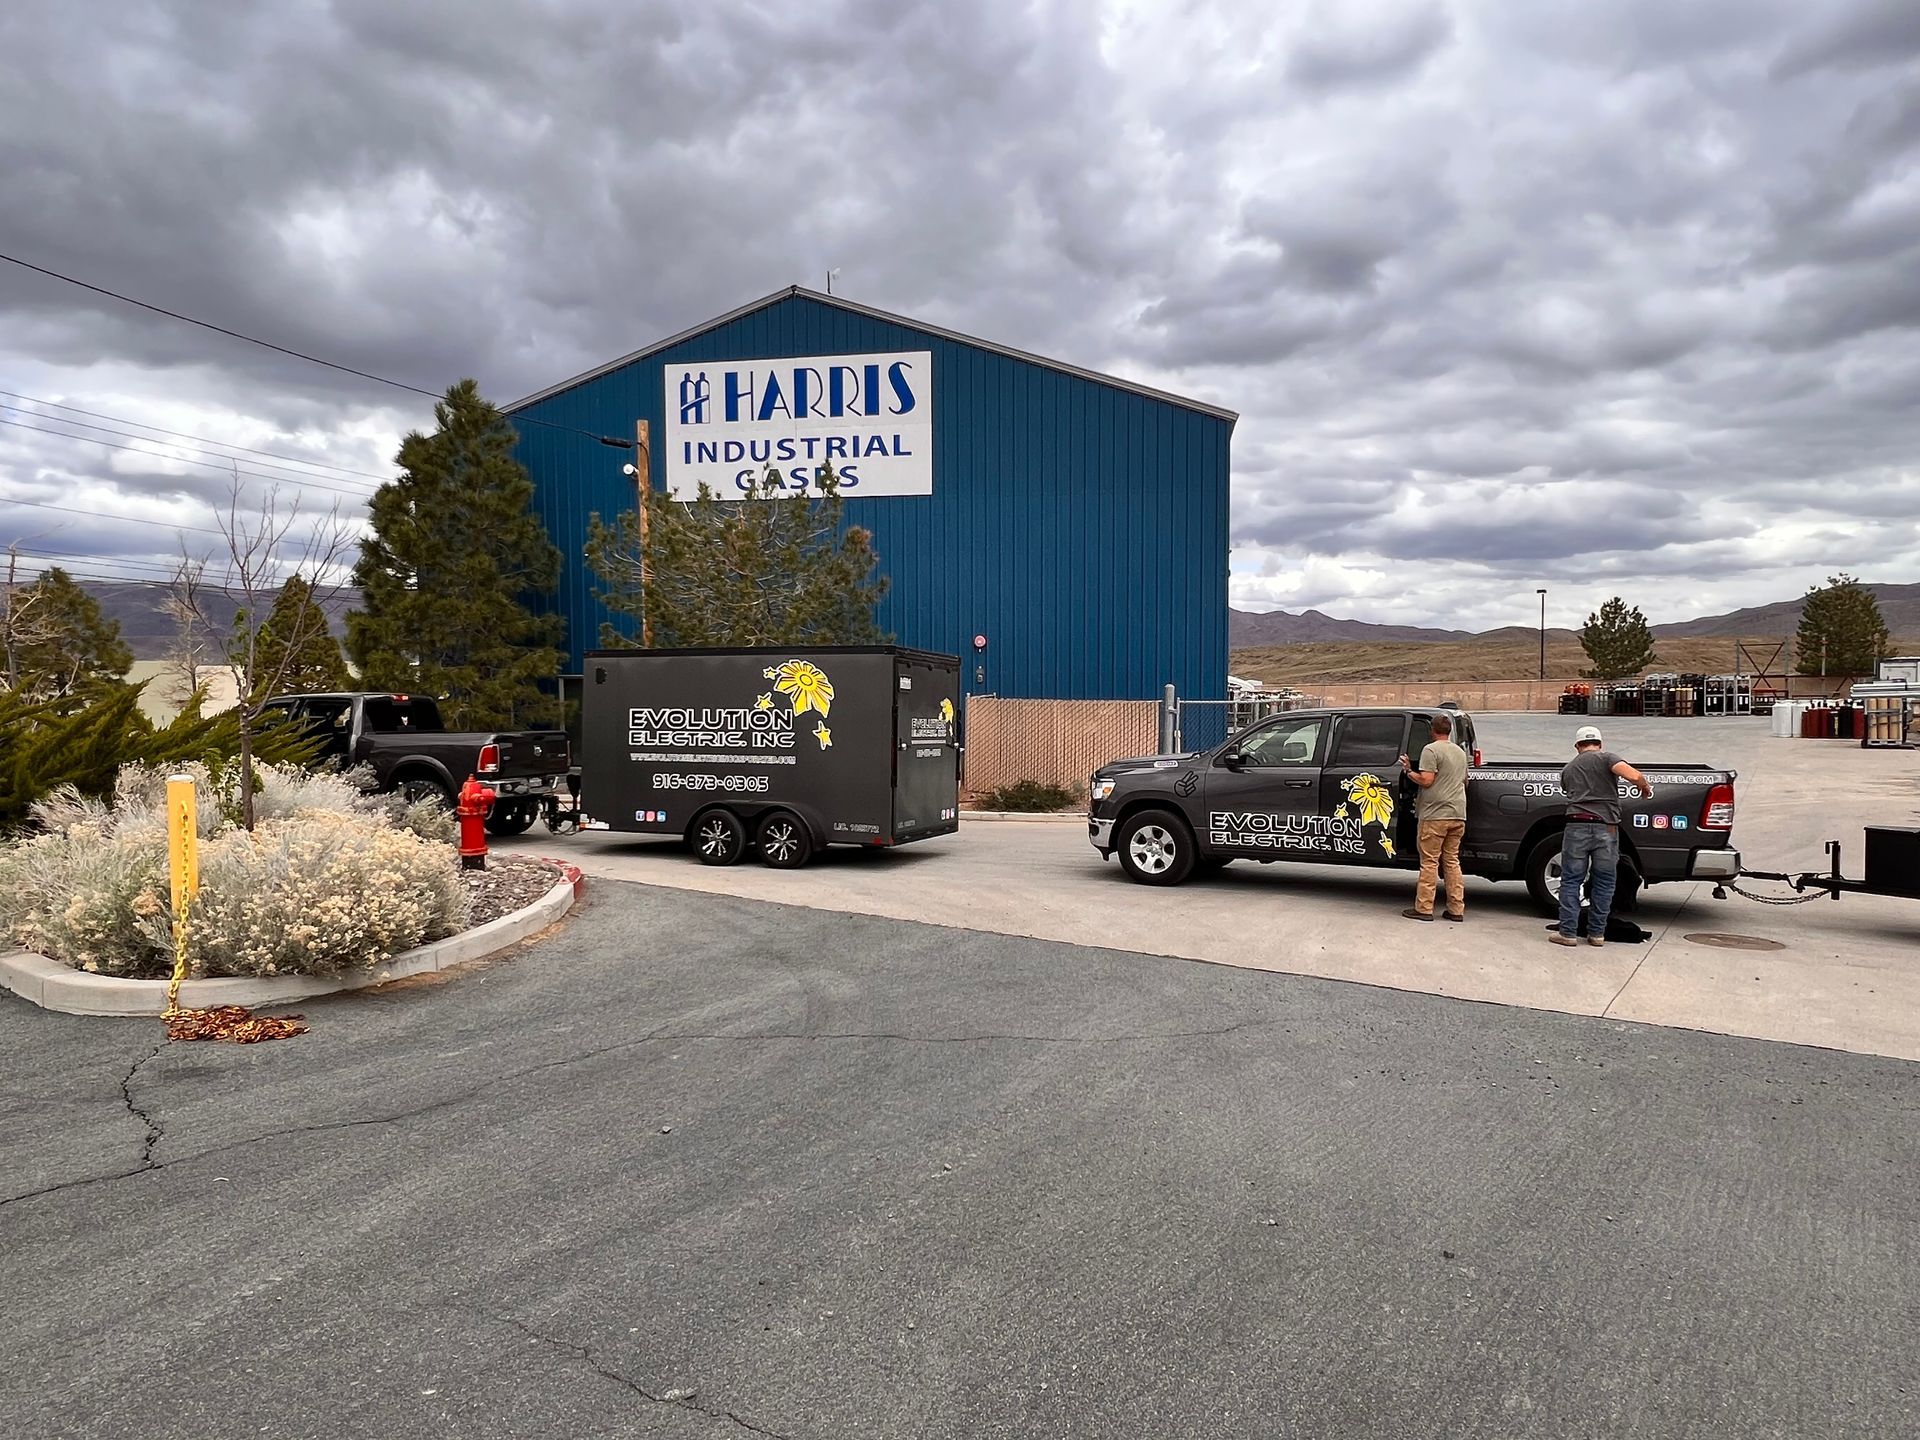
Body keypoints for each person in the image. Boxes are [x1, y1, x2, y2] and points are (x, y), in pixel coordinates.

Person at [1552, 724, 1651, 949]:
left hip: (1576, 827)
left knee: (1571, 881)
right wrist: (1643, 787)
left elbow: (1568, 791)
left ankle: (1567, 932)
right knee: (1605, 881)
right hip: (1606, 828)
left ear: (1577, 746)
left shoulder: (1569, 768)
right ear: (1599, 744)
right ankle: (1597, 934)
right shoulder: (1607, 758)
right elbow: (1634, 775)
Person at [1398, 713, 1469, 922]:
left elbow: (1427, 780)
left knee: (1429, 862)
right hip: (1458, 814)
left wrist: (1409, 771)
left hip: (1435, 815)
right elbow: (1465, 781)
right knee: (1452, 862)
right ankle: (1456, 908)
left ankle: (1424, 908)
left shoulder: (1430, 750)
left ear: (1432, 730)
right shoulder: (1459, 752)